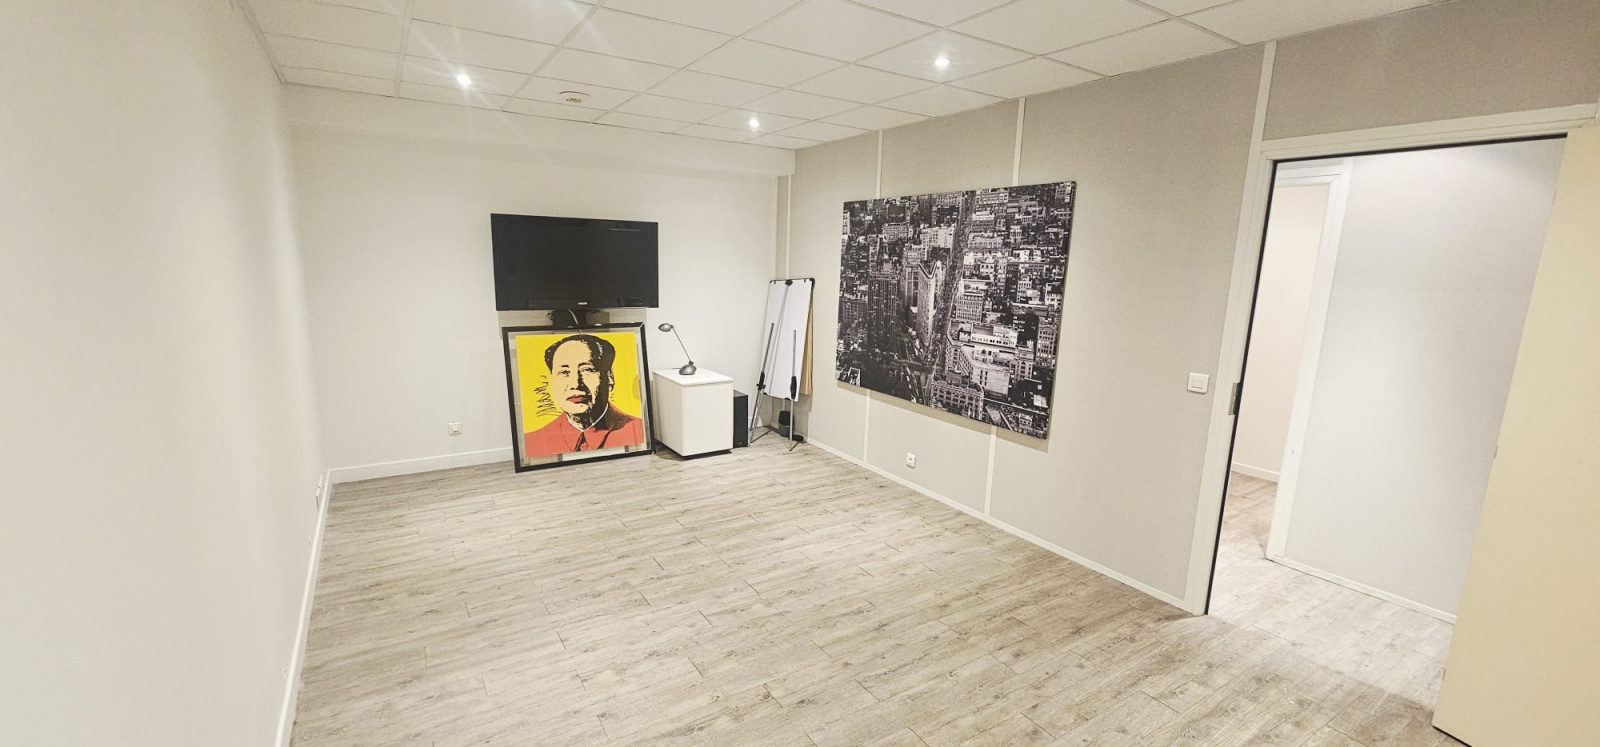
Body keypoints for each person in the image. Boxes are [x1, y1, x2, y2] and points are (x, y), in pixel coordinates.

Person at [523, 334, 645, 458]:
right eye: (564, 372)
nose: (575, 384)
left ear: (609, 378)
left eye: (587, 370)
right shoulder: (535, 440)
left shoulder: (638, 431)